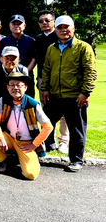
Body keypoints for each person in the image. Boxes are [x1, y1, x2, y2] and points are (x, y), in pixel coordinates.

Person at [41, 15, 97, 172]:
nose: (63, 30)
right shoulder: (51, 48)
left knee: (77, 129)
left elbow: (90, 72)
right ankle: (46, 147)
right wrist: (45, 89)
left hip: (75, 97)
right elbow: (46, 70)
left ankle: (76, 160)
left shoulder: (83, 47)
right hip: (55, 96)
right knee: (46, 123)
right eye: (59, 27)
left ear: (73, 28)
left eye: (66, 27)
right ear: (56, 30)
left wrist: (85, 93)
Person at [0, 73, 52, 180]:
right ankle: (2, 161)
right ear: (7, 87)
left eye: (19, 85)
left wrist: (34, 145)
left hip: (26, 143)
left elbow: (48, 127)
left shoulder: (33, 104)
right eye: (12, 85)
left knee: (31, 175)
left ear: (25, 87)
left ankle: (30, 158)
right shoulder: (3, 100)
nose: (15, 88)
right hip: (9, 138)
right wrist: (1, 138)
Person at [35, 10, 69, 154]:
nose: (44, 23)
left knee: (64, 112)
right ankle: (49, 140)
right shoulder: (37, 39)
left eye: (47, 20)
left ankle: (64, 141)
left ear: (54, 22)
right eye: (41, 21)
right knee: (46, 110)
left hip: (62, 78)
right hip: (44, 78)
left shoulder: (61, 36)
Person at [0, 14, 37, 81]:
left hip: (27, 76)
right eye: (14, 24)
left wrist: (24, 72)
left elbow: (33, 59)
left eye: (19, 24)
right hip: (7, 75)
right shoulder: (4, 41)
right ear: (10, 26)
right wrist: (7, 70)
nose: (16, 26)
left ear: (24, 26)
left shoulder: (31, 41)